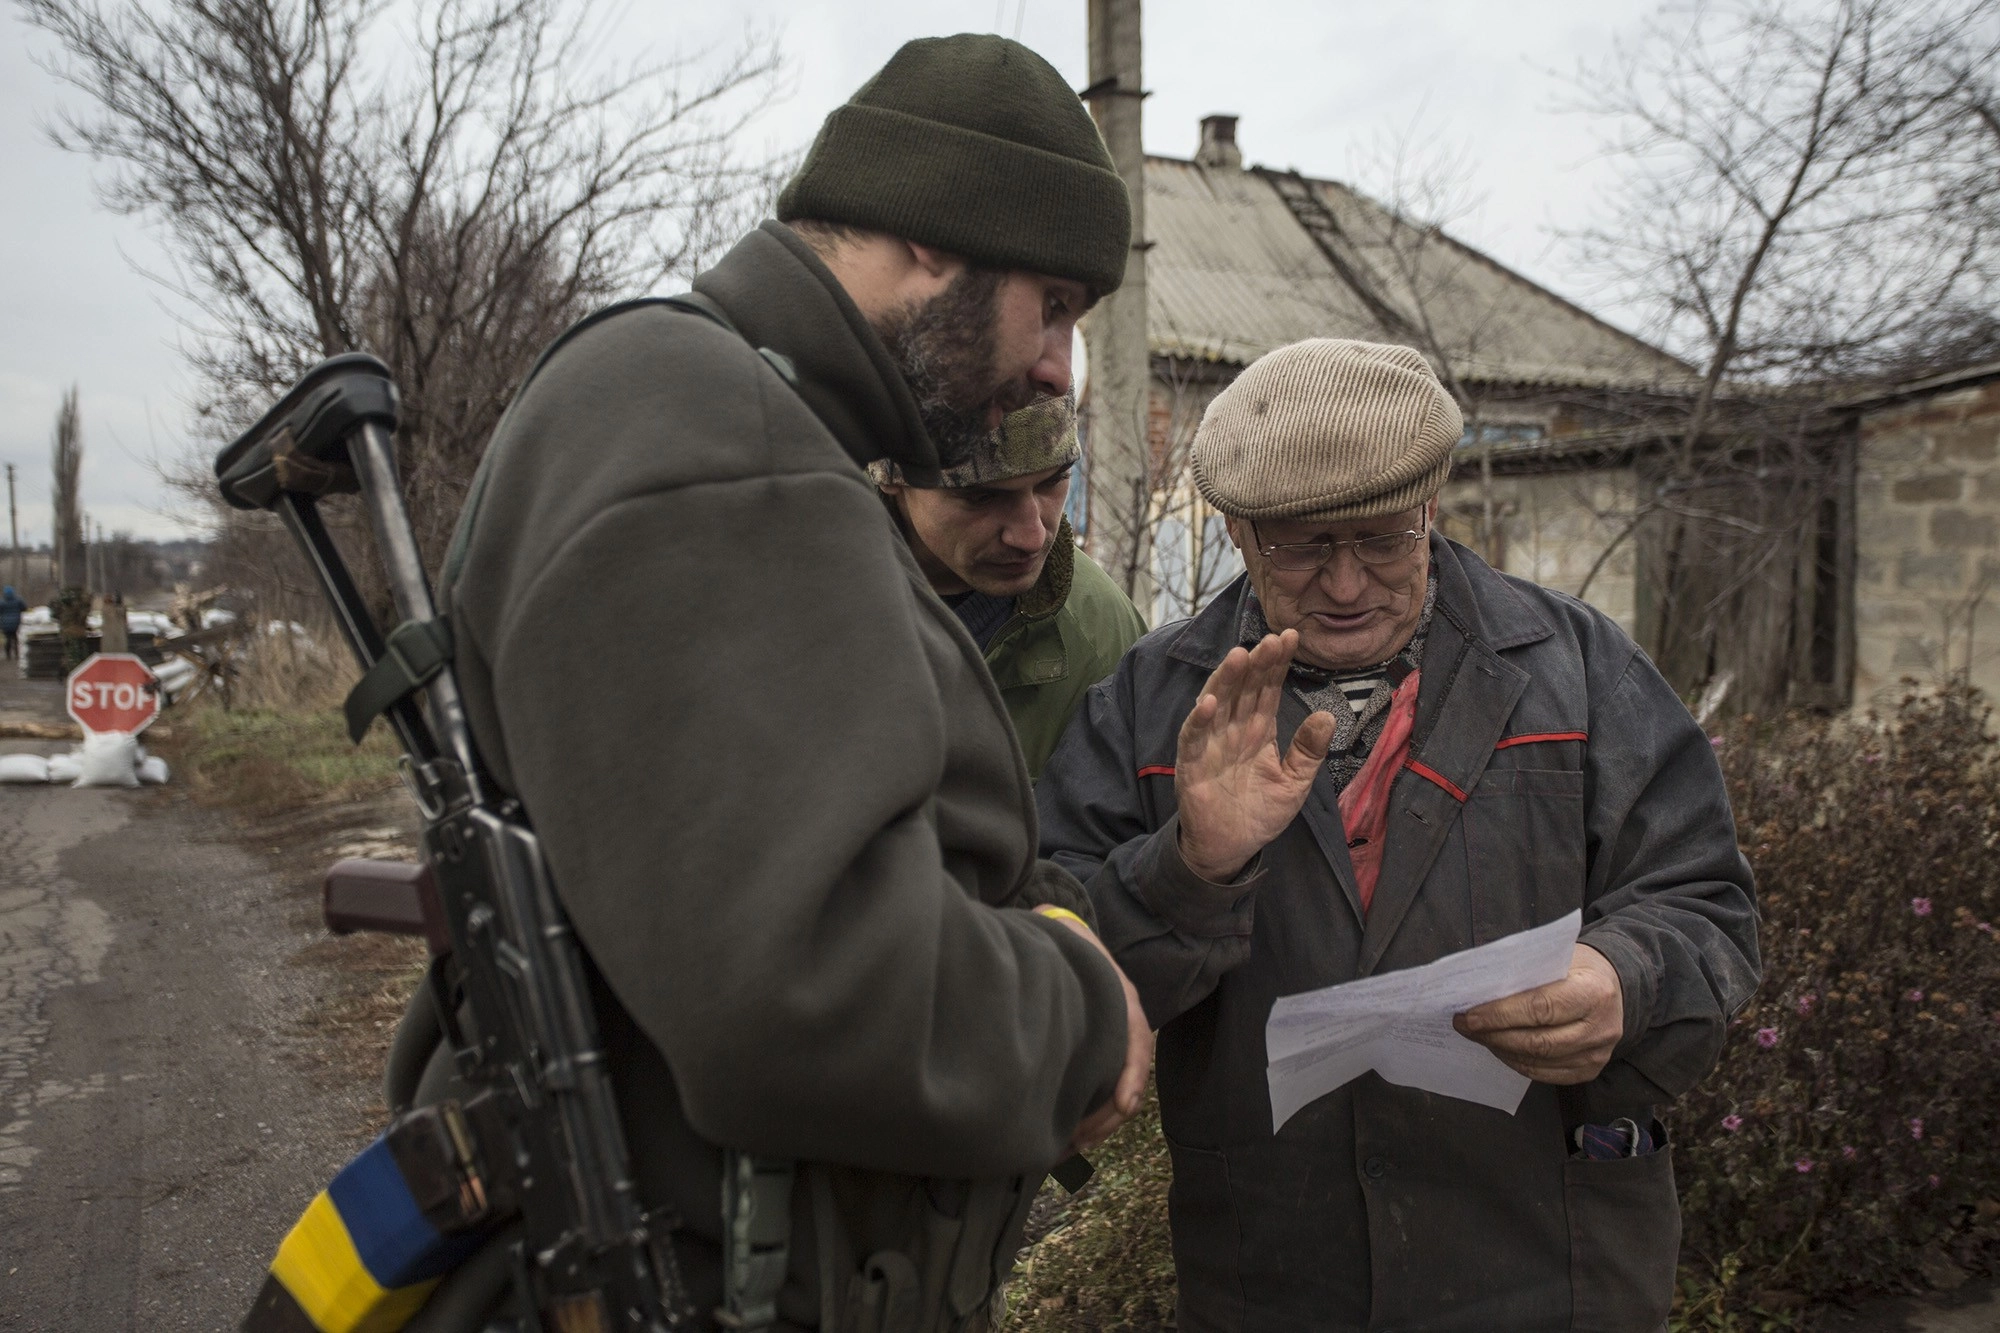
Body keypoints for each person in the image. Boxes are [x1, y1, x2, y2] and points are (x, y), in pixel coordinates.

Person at [404, 33, 1152, 1333]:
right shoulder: (719, 437)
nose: (1056, 369)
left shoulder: (725, 415)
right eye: (1057, 306)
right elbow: (805, 984)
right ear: (931, 242)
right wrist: (1084, 1014)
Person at [1036, 338, 1760, 1331]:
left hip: (1545, 1260)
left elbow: (1705, 903)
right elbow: (1055, 980)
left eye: (1380, 538)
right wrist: (1189, 868)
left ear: (1430, 507)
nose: (1343, 583)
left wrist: (1623, 977)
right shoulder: (1151, 705)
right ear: (1239, 532)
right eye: (1299, 545)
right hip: (1277, 1271)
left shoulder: (1577, 668)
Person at [871, 393, 1145, 777]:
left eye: (1054, 481)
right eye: (982, 497)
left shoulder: (1103, 639)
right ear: (890, 474)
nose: (1031, 536)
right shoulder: (795, 595)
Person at [0, 586, 24, 661]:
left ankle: (8, 654)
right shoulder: (18, 601)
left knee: (7, 639)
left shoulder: (2, 602)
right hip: (16, 623)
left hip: (5, 623)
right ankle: (17, 653)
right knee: (15, 638)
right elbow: (24, 607)